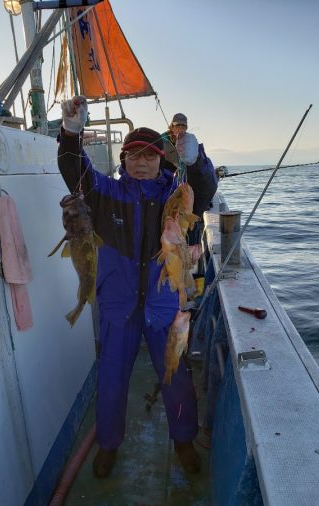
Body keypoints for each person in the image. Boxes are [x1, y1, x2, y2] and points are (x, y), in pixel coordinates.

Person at [57, 96, 218, 478]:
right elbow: (73, 171)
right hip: (117, 304)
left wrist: (196, 160)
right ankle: (109, 444)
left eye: (149, 156)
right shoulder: (105, 193)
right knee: (112, 378)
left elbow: (204, 190)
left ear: (161, 160)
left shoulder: (174, 194)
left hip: (163, 303)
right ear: (123, 161)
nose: (142, 163)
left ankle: (182, 440)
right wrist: (69, 135)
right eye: (133, 156)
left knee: (176, 377)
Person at [162, 113, 218, 246]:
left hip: (187, 194)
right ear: (171, 126)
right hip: (172, 195)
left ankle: (191, 249)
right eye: (177, 125)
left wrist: (195, 158)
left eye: (184, 126)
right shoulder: (162, 143)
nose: (181, 129)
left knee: (193, 223)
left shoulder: (190, 143)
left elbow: (204, 173)